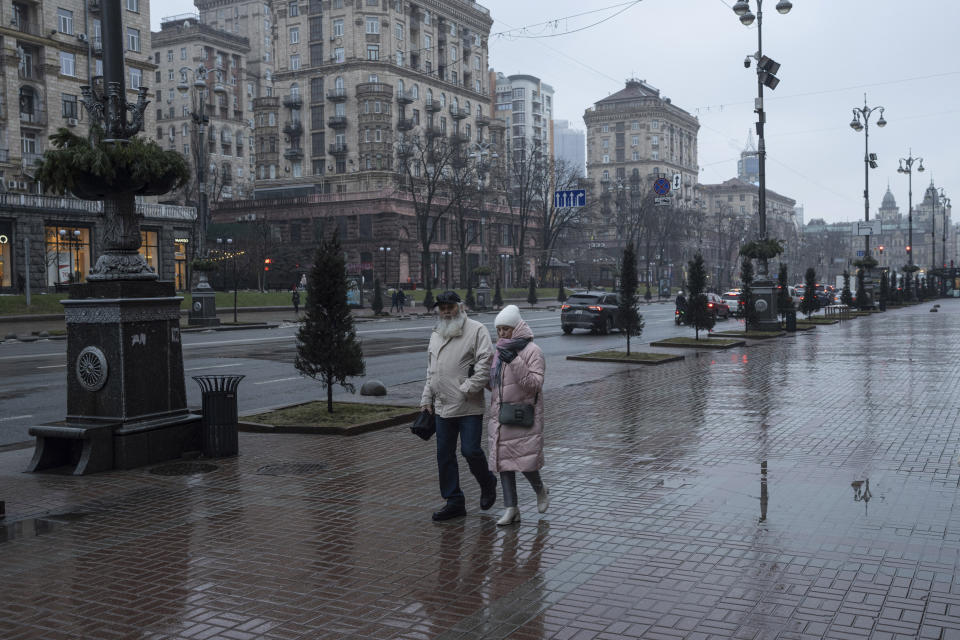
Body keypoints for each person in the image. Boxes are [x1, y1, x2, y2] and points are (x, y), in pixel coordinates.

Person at [421, 291, 498, 521]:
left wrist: (468, 387)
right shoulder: (436, 333)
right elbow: (431, 370)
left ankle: (487, 482)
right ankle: (454, 501)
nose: (445, 311)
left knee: (470, 450)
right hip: (442, 406)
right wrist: (426, 399)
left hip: (468, 405)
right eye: (442, 307)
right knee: (444, 456)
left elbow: (486, 362)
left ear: (460, 307)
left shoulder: (476, 330)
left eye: (450, 307)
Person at [488, 304, 548, 526]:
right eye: (499, 330)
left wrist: (514, 360)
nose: (502, 334)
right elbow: (497, 386)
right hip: (501, 416)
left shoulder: (533, 351)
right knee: (503, 463)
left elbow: (534, 385)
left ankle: (541, 491)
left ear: (517, 327)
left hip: (523, 416)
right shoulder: (500, 351)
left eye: (506, 329)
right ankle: (511, 508)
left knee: (525, 462)